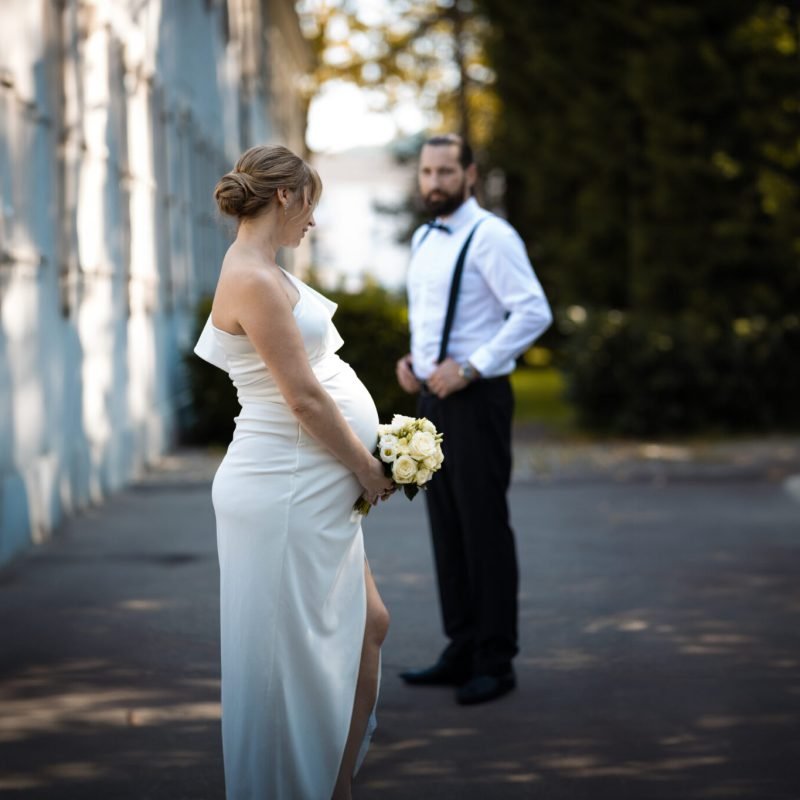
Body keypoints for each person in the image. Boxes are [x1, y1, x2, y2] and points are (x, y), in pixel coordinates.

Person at [194, 144, 393, 799]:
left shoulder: (264, 268)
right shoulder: (250, 277)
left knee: (370, 625)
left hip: (310, 483)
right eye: (311, 204)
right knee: (285, 667)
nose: (313, 220)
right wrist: (366, 467)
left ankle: (334, 785)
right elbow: (303, 397)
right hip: (282, 488)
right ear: (285, 195)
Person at [396, 134, 552, 705]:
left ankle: (495, 660)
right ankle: (461, 647)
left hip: (477, 400)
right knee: (446, 526)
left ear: (469, 175)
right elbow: (434, 316)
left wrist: (472, 366)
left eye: (445, 171)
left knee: (483, 528)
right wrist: (414, 362)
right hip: (432, 399)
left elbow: (533, 311)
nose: (434, 182)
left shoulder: (492, 236)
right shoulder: (423, 237)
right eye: (426, 172)